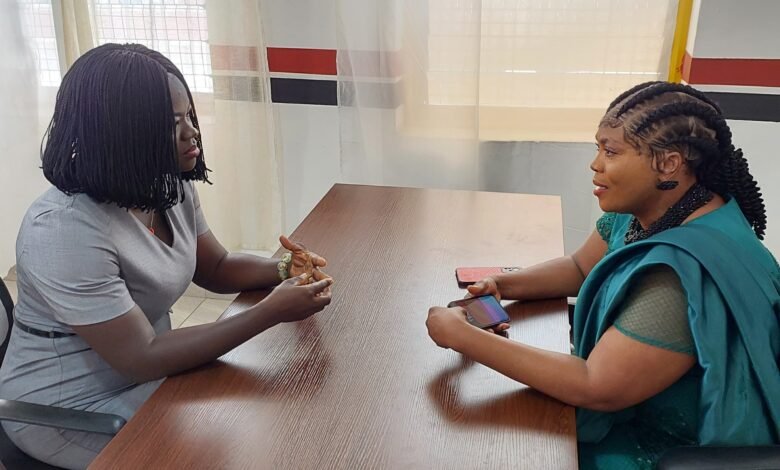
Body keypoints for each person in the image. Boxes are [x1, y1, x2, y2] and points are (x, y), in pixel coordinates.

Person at [0, 43, 333, 469]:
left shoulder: (165, 184)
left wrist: (284, 268)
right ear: (119, 132)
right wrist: (270, 311)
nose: (192, 133)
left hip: (152, 377)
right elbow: (142, 356)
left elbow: (214, 267)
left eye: (190, 116)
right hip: (74, 412)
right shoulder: (62, 230)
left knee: (273, 421)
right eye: (171, 123)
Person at [426, 81, 780, 469]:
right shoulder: (647, 209)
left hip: (669, 448)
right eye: (598, 148)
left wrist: (461, 336)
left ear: (669, 163)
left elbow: (595, 387)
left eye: (611, 151)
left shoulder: (679, 274)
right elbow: (580, 267)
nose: (596, 164)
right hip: (630, 407)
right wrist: (504, 284)